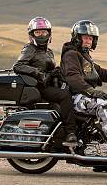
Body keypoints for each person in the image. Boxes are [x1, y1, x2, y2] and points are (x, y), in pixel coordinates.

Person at [60, 20, 107, 155]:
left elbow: (100, 72)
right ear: (77, 38)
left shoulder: (84, 55)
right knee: (104, 105)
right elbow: (73, 78)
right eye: (85, 37)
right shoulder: (71, 54)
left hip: (84, 95)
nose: (88, 41)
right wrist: (92, 91)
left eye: (91, 38)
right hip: (75, 97)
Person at [13, 16, 77, 145]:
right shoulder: (30, 49)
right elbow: (18, 66)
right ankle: (71, 132)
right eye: (38, 32)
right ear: (32, 35)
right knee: (64, 96)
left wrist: (57, 74)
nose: (41, 35)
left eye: (44, 32)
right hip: (39, 87)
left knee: (72, 91)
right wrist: (39, 73)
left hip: (47, 84)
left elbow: (50, 70)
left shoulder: (49, 52)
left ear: (49, 33)